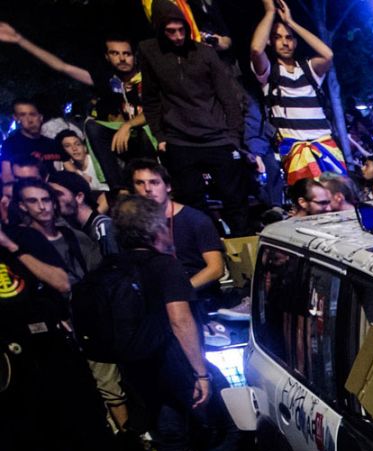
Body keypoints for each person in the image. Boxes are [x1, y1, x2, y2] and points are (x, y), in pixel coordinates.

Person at [0, 218, 160, 451]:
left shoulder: (24, 238)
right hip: (12, 363)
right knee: (44, 440)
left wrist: (12, 248)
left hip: (54, 348)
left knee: (91, 427)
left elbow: (61, 282)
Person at [107, 196, 244, 451]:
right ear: (154, 227)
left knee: (169, 435)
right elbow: (180, 320)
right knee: (230, 424)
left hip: (140, 367)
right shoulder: (164, 266)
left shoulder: (114, 266)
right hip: (176, 362)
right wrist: (200, 373)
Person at [139, 4, 249, 236]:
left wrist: (233, 137)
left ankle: (242, 249)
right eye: (171, 31)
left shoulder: (204, 52)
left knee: (234, 199)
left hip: (217, 136)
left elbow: (228, 97)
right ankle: (207, 250)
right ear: (161, 30)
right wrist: (160, 136)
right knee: (191, 201)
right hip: (179, 138)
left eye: (182, 30)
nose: (178, 36)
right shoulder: (150, 52)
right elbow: (150, 98)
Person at [0, 26, 154, 188]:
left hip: (152, 134)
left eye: (126, 54)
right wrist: (20, 40)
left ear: (134, 56)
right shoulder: (108, 82)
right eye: (115, 53)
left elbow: (155, 109)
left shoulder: (148, 77)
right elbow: (62, 66)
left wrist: (128, 125)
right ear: (107, 57)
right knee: (91, 125)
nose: (122, 59)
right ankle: (117, 189)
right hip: (126, 139)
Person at [249, 0, 341, 187]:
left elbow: (327, 54)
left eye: (289, 37)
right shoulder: (270, 73)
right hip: (296, 150)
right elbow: (256, 50)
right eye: (278, 37)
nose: (284, 42)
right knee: (309, 202)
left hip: (325, 146)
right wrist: (269, 12)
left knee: (339, 200)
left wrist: (291, 23)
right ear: (270, 41)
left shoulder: (308, 69)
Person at [127, 161, 224, 310]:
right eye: (140, 183)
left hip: (198, 299)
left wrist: (179, 292)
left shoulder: (195, 219)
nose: (147, 189)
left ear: (167, 186)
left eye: (154, 182)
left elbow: (216, 268)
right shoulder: (134, 225)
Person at [7, 178, 98, 288]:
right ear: (22, 206)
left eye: (46, 200)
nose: (42, 207)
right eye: (32, 201)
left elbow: (100, 271)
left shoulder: (74, 236)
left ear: (54, 203)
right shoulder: (20, 242)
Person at [47, 171, 115, 259]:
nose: (53, 200)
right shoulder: (74, 230)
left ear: (79, 197)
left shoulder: (103, 226)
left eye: (58, 194)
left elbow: (115, 265)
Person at [1, 99, 65, 183]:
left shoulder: (53, 144)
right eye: (23, 115)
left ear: (41, 117)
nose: (30, 120)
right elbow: (7, 176)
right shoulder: (10, 145)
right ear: (16, 118)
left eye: (33, 114)